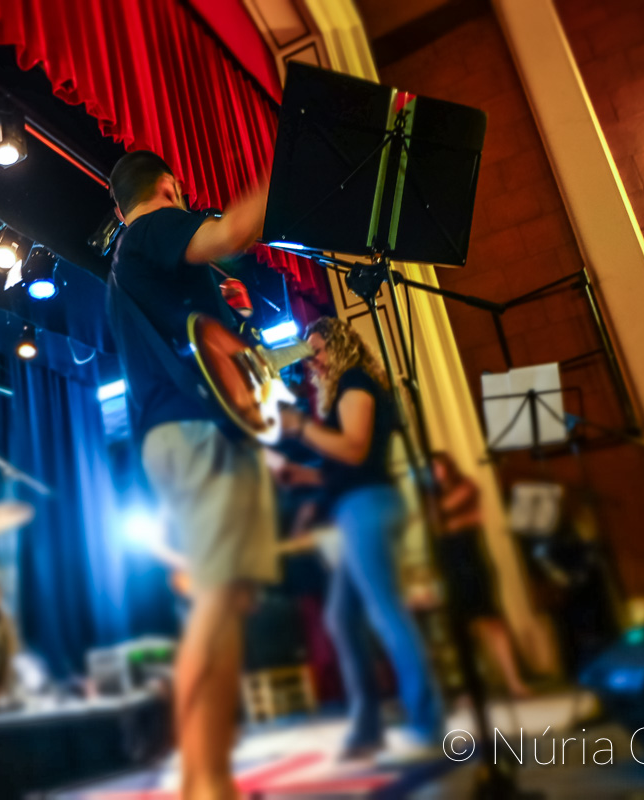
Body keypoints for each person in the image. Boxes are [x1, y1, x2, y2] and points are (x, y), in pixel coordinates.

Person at [106, 151, 277, 799]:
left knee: (225, 601)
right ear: (169, 187)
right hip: (195, 427)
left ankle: (211, 776)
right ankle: (200, 783)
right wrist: (287, 171)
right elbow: (233, 232)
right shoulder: (153, 227)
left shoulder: (132, 261)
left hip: (178, 432)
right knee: (217, 602)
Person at [275, 317, 444, 762]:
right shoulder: (346, 390)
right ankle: (369, 725)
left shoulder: (355, 381)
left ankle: (426, 722)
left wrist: (301, 427)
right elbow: (345, 468)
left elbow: (353, 449)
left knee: (385, 613)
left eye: (317, 350)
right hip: (359, 505)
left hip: (367, 508)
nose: (312, 361)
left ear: (339, 346)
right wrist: (302, 475)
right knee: (342, 617)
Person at [431, 452, 531, 699]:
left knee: (493, 620)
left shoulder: (466, 486)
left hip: (472, 559)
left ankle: (514, 681)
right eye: (431, 468)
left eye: (437, 466)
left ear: (448, 466)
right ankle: (473, 688)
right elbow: (436, 522)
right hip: (448, 564)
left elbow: (461, 516)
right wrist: (449, 521)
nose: (434, 472)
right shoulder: (430, 494)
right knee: (461, 629)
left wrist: (449, 521)